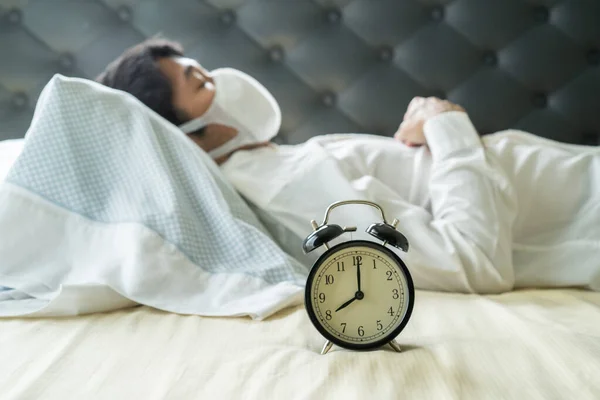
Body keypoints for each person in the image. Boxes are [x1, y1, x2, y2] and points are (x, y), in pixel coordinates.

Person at [97, 38, 600, 294]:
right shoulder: (284, 189)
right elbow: (473, 264)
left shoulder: (277, 166)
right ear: (185, 138)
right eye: (201, 83)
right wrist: (446, 125)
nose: (223, 80)